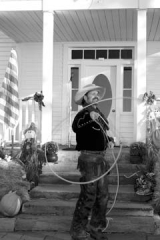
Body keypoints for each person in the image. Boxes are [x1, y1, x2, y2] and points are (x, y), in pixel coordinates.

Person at [70, 84, 114, 240]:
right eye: (92, 94)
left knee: (103, 195)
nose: (96, 95)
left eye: (97, 93)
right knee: (88, 195)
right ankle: (78, 229)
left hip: (100, 158)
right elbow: (76, 126)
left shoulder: (98, 113)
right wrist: (89, 117)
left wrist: (109, 140)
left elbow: (100, 133)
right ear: (85, 98)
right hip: (88, 159)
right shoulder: (83, 114)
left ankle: (95, 227)